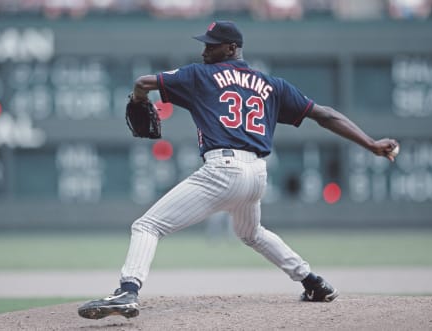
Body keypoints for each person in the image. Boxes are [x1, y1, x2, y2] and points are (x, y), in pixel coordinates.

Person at [78, 21, 399, 320]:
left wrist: (137, 97)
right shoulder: (272, 85)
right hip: (257, 174)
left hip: (222, 169)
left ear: (232, 48)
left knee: (147, 226)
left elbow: (142, 81)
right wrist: (370, 144)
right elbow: (325, 114)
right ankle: (313, 282)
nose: (205, 51)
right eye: (205, 45)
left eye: (212, 46)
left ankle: (127, 291)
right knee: (251, 233)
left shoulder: (199, 75)